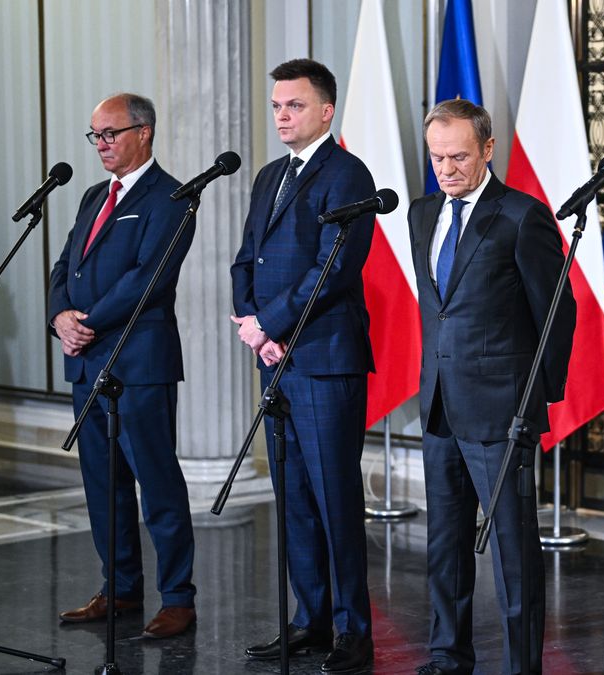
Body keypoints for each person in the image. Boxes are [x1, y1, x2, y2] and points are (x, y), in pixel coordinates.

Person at [408, 99, 576, 675]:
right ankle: (447, 656)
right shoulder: (421, 213)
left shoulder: (522, 216)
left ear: (487, 149)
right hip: (439, 404)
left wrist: (535, 401)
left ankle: (521, 665)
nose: (446, 169)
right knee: (444, 542)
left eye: (458, 156)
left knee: (513, 550)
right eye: (437, 157)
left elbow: (557, 312)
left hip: (503, 411)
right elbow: (440, 309)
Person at [230, 58, 376, 673]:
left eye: (294, 105)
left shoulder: (348, 174)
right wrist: (252, 324)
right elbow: (247, 258)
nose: (282, 116)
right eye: (276, 106)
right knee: (293, 496)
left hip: (323, 359)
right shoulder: (270, 175)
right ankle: (309, 619)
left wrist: (270, 324)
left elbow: (334, 267)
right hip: (275, 358)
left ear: (326, 110)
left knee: (334, 496)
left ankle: (353, 630)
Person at [49, 93, 198, 639]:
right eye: (95, 135)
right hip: (87, 362)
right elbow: (65, 264)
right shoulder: (95, 195)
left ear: (144, 132)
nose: (101, 144)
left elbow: (147, 278)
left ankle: (178, 598)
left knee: (156, 483)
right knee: (103, 485)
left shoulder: (172, 197)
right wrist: (59, 316)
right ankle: (120, 588)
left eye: (110, 133)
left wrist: (85, 320)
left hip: (138, 363)